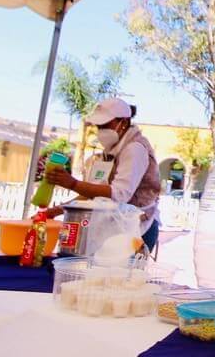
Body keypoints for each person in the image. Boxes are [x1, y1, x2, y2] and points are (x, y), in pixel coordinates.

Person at [45, 97, 162, 252]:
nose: (101, 131)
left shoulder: (135, 149)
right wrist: (55, 211)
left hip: (137, 229)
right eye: (99, 126)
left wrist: (72, 184)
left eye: (105, 125)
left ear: (124, 123)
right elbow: (91, 193)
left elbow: (119, 195)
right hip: (116, 227)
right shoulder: (110, 152)